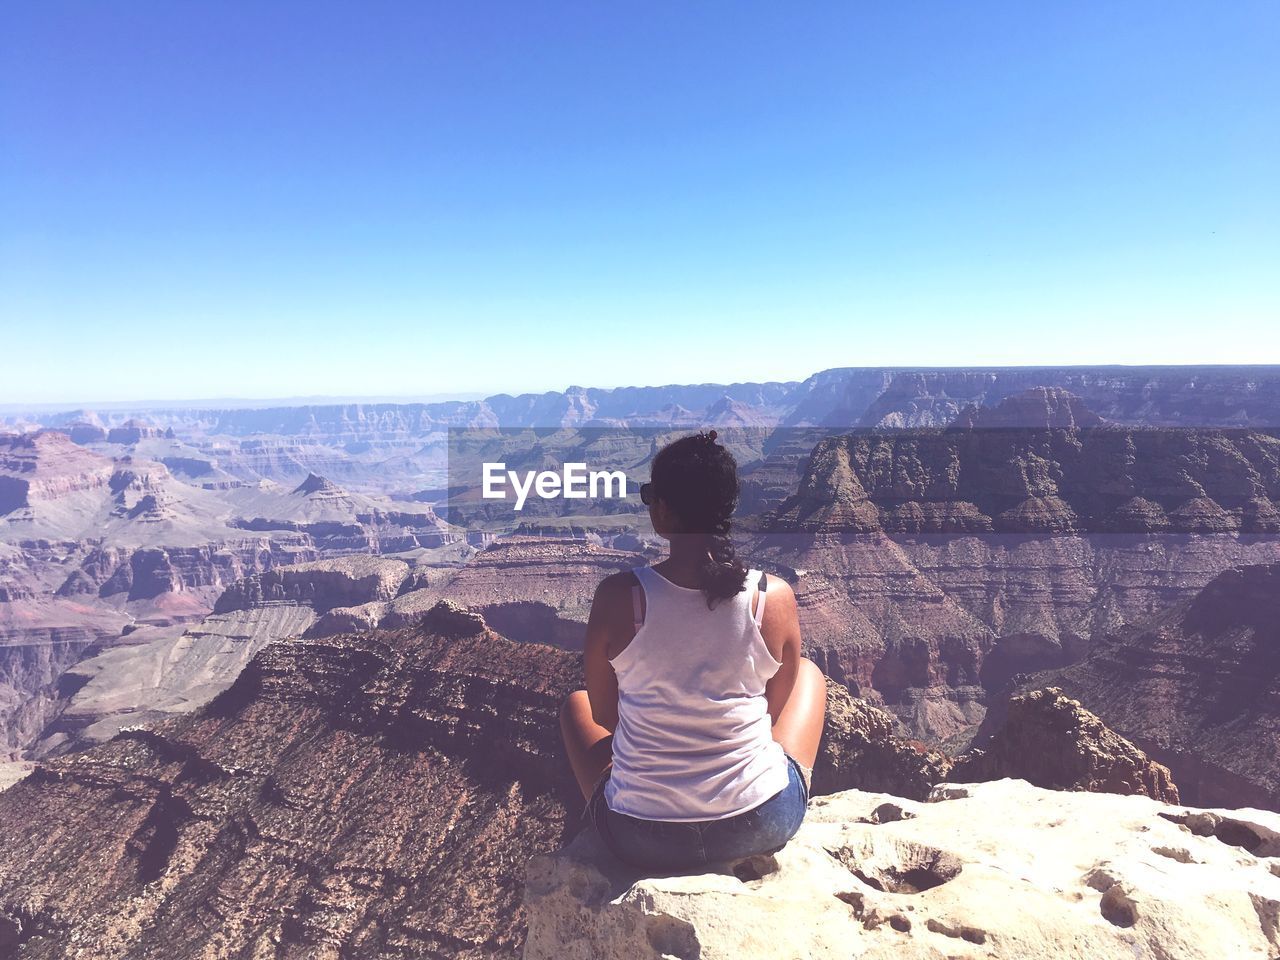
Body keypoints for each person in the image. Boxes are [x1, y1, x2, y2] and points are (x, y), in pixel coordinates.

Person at [560, 430, 827, 872]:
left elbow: (607, 718)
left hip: (641, 837)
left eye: (649, 496)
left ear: (663, 509)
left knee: (576, 706)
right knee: (810, 676)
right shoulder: (772, 597)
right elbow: (772, 711)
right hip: (759, 823)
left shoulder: (618, 597)